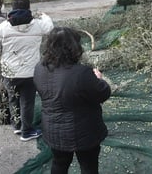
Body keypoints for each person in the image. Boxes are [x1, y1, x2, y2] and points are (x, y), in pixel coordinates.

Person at [33, 27, 111, 174]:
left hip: (54, 129)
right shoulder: (81, 73)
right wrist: (99, 80)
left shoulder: (39, 68)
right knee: (89, 166)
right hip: (85, 132)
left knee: (59, 164)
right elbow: (103, 93)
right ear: (75, 46)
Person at [0, 0, 54, 141]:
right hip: (30, 73)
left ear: (12, 9)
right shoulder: (38, 24)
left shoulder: (3, 27)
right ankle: (27, 131)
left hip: (9, 72)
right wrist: (44, 15)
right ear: (28, 8)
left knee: (13, 99)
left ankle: (17, 125)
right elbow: (50, 28)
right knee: (27, 102)